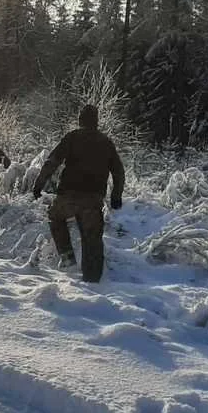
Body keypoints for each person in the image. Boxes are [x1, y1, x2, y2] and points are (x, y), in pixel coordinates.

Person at [32, 105, 124, 283]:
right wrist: (116, 196)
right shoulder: (106, 142)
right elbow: (119, 171)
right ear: (96, 121)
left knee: (55, 216)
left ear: (80, 120)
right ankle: (93, 283)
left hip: (68, 196)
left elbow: (52, 161)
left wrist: (39, 184)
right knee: (92, 241)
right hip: (92, 199)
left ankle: (67, 258)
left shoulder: (72, 137)